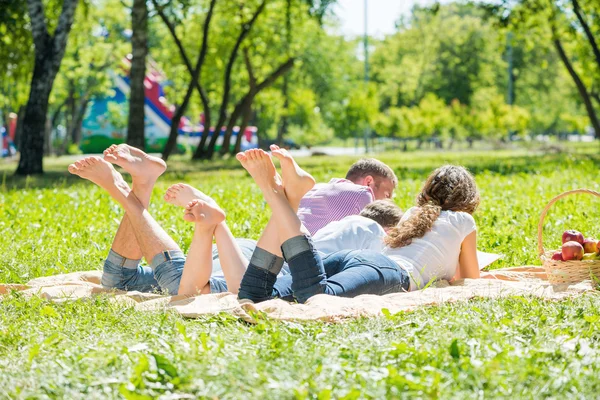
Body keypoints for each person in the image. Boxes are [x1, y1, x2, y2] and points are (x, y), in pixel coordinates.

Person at [233, 149, 480, 303]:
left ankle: (287, 198)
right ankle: (284, 198)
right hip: (388, 272)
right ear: (467, 199)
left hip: (357, 259)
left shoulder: (414, 213)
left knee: (254, 295)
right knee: (315, 297)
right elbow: (470, 280)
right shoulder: (464, 221)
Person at [298, 158, 397, 235]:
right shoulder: (363, 194)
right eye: (386, 195)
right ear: (368, 182)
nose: (387, 202)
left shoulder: (315, 188)